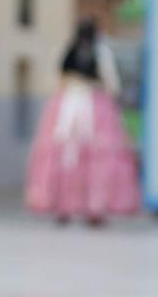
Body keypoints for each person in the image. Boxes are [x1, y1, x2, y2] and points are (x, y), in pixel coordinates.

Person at [24, 18, 139, 225]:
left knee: (69, 155)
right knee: (91, 156)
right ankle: (88, 207)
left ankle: (65, 206)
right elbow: (112, 83)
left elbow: (53, 77)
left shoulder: (68, 49)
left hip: (68, 102)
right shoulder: (100, 52)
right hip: (91, 105)